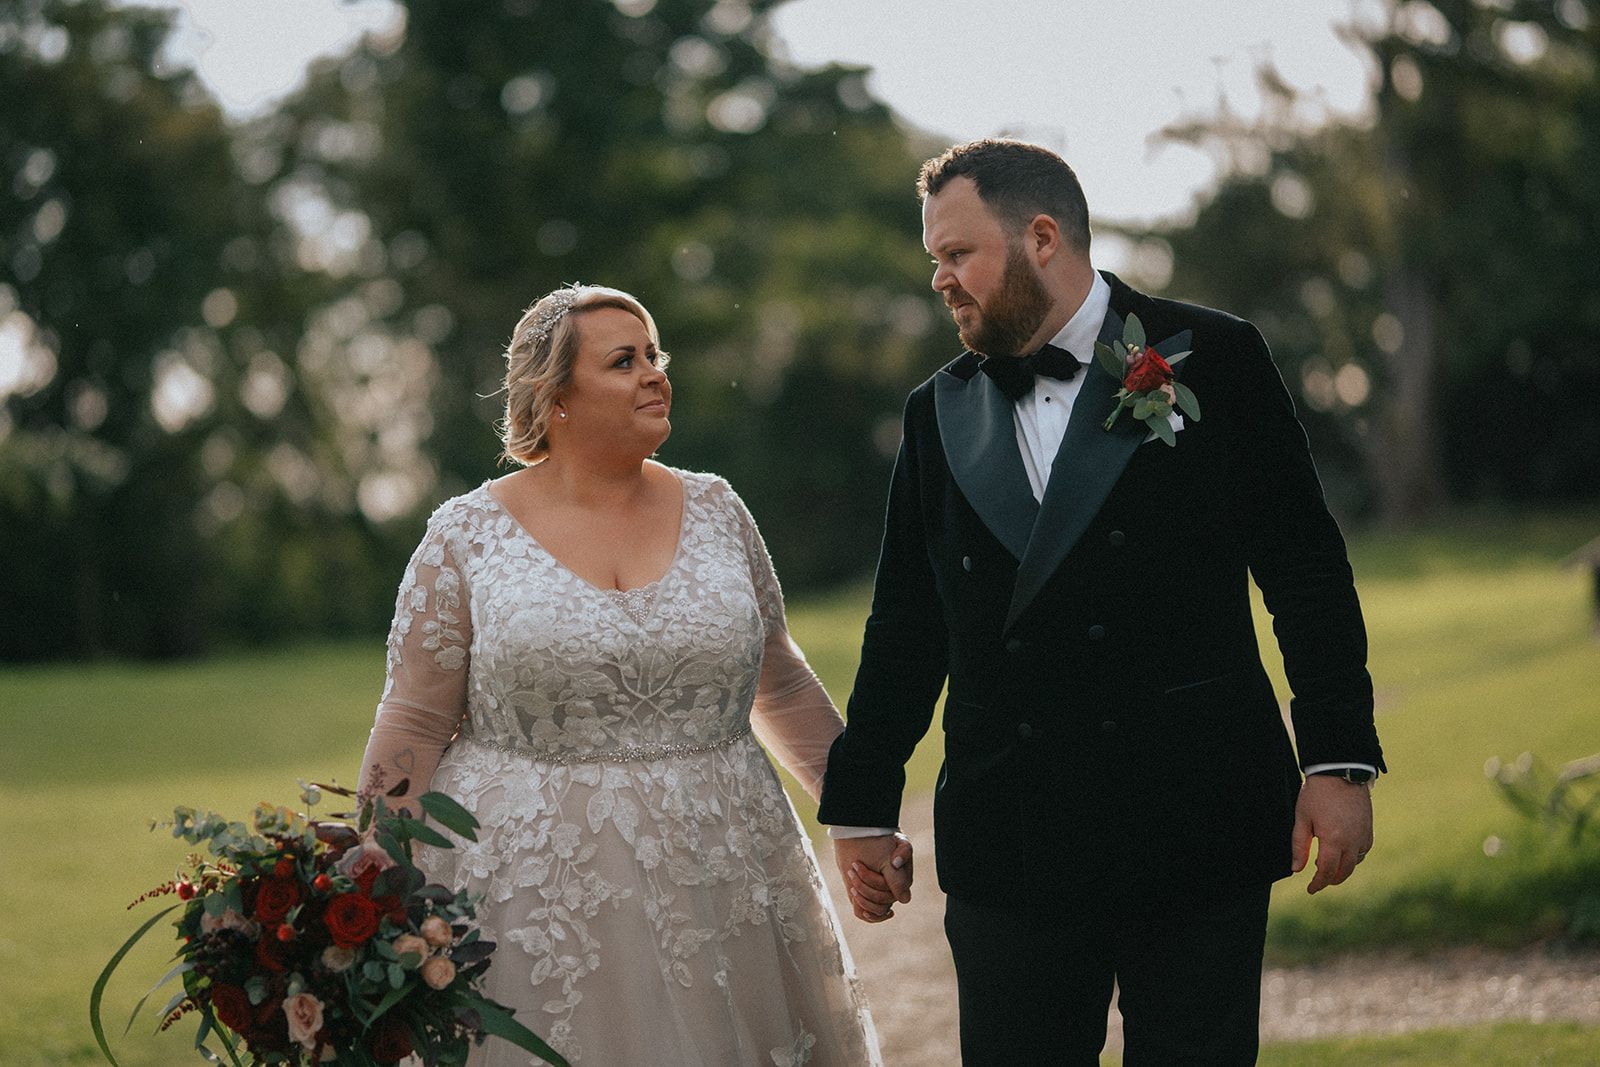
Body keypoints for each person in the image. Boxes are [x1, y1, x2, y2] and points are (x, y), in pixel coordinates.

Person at [817, 140, 1387, 1065]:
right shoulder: (938, 410)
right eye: (935, 261)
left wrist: (1338, 756)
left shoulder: (1214, 356)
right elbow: (908, 622)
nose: (941, 281)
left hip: (1195, 816)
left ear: (1041, 236)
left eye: (958, 255)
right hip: (1013, 836)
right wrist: (863, 802)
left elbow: (1305, 569)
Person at [357, 283, 899, 1065]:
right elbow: (412, 719)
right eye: (623, 360)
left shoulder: (718, 509)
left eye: (655, 355)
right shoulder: (467, 535)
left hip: (725, 873)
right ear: (556, 397)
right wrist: (374, 882)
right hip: (529, 891)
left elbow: (778, 682)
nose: (654, 373)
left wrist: (860, 818)